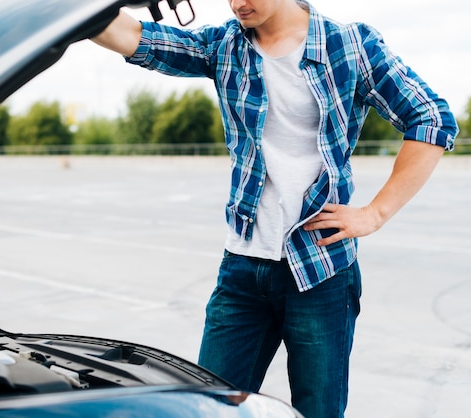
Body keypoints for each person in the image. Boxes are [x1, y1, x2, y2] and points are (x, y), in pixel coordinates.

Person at [92, 1, 459, 417]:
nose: (237, 3)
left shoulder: (350, 44)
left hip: (320, 271)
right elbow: (132, 36)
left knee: (317, 411)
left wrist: (374, 213)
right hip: (243, 271)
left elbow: (431, 119)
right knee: (206, 408)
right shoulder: (225, 45)